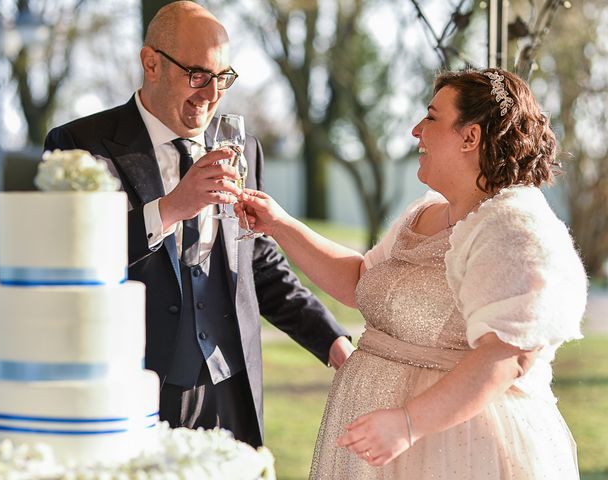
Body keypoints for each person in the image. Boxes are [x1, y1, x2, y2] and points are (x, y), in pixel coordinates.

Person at [236, 68, 587, 478]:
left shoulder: (514, 227)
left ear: (470, 136)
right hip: (381, 452)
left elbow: (508, 355)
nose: (416, 130)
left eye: (432, 117)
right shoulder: (424, 214)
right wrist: (279, 224)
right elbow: (358, 281)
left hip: (458, 453)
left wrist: (408, 423)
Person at [44, 1, 354, 448]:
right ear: (151, 63)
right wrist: (171, 208)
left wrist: (331, 340)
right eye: (197, 75)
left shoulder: (242, 147)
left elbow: (258, 263)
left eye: (222, 78)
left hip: (229, 389)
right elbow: (69, 257)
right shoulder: (80, 145)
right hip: (134, 387)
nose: (211, 94)